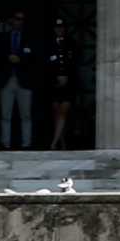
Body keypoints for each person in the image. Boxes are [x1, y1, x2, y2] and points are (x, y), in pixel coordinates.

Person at [0, 8, 36, 149]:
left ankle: (26, 144)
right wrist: (7, 57)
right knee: (5, 115)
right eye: (16, 18)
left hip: (24, 81)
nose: (19, 21)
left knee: (26, 115)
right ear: (11, 20)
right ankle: (5, 144)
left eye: (21, 19)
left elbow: (35, 59)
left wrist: (20, 59)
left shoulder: (30, 38)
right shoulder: (1, 37)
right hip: (6, 80)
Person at [44, 17, 80, 150]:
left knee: (63, 112)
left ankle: (53, 143)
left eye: (62, 27)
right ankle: (62, 142)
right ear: (54, 29)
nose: (59, 29)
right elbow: (46, 65)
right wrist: (55, 79)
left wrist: (66, 78)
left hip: (68, 84)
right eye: (57, 27)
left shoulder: (72, 43)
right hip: (54, 84)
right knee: (56, 113)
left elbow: (75, 63)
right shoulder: (49, 44)